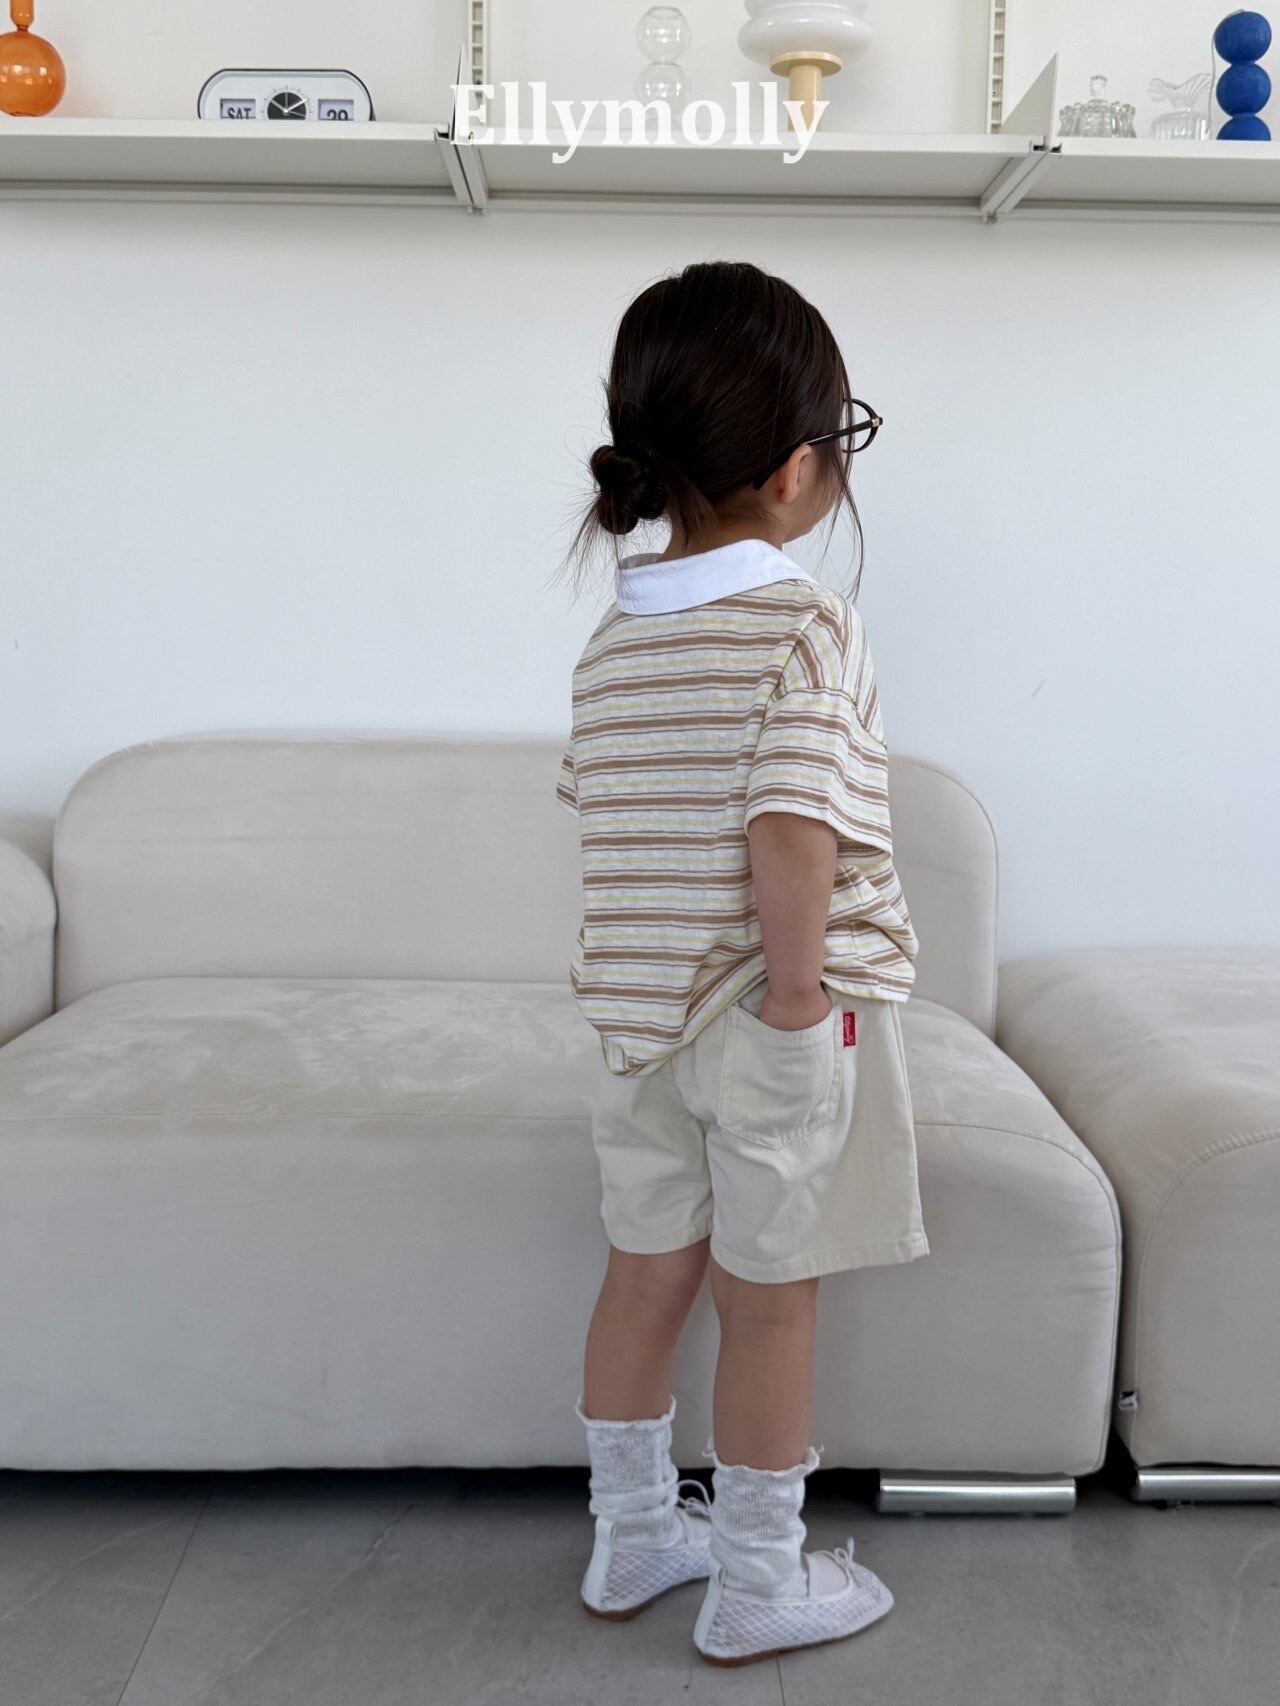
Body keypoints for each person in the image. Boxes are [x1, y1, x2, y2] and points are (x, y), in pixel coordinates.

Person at [553, 259, 928, 1668]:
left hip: (636, 1024)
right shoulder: (805, 626)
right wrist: (797, 1001)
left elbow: (617, 831)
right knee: (770, 1297)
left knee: (644, 1275)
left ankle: (632, 1535)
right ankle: (762, 1575)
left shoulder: (613, 640)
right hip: (768, 1016)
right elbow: (790, 827)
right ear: (794, 468)